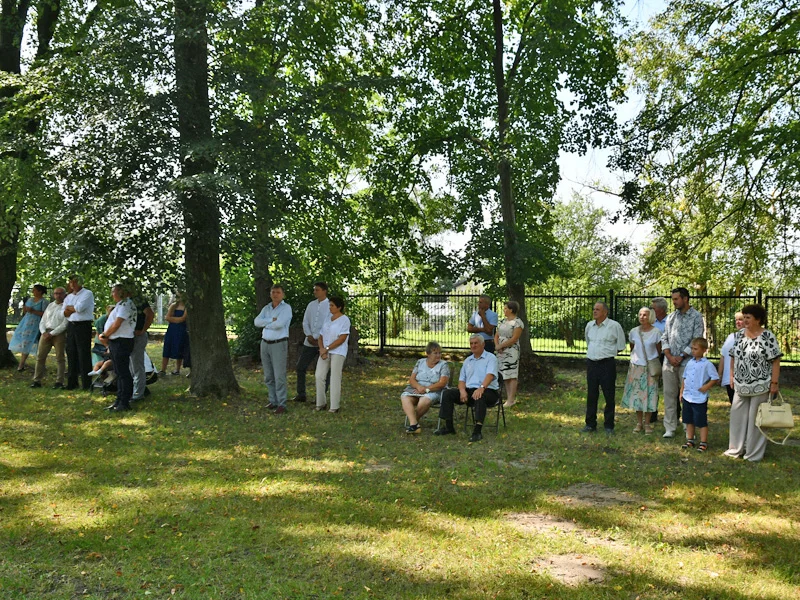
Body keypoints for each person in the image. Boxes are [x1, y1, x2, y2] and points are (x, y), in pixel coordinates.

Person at [723, 304, 782, 462]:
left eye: (748, 317)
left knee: (756, 420)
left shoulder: (767, 336)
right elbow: (733, 356)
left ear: (758, 319)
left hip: (761, 384)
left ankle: (753, 454)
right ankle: (735, 450)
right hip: (740, 384)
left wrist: (774, 383)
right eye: (744, 317)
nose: (744, 320)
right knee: (737, 417)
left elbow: (776, 361)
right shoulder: (739, 335)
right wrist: (731, 376)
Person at [434, 334, 500, 442]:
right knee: (447, 393)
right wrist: (462, 390)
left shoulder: (491, 358)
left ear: (483, 344)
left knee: (479, 395)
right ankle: (449, 427)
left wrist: (481, 388)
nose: (473, 346)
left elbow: (490, 375)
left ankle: (477, 432)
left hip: (488, 391)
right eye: (471, 343)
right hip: (469, 390)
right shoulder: (468, 361)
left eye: (476, 343)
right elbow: (462, 380)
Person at [660, 287, 705, 439]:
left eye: (676, 299)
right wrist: (669, 355)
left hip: (687, 363)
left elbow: (697, 339)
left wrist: (681, 356)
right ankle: (670, 427)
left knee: (686, 395)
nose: (673, 302)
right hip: (669, 362)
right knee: (669, 394)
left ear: (685, 299)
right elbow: (664, 337)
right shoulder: (671, 317)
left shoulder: (696, 317)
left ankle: (688, 426)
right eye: (672, 299)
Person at [582, 302, 626, 433]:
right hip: (592, 364)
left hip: (607, 364)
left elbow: (621, 346)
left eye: (598, 309)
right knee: (591, 394)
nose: (594, 311)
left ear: (605, 312)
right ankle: (590, 424)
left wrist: (606, 354)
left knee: (609, 395)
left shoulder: (614, 326)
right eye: (594, 309)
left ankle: (608, 425)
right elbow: (588, 342)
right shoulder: (589, 325)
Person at [621, 307, 662, 434]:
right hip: (636, 367)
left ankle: (648, 423)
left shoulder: (656, 332)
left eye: (645, 315)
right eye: (640, 314)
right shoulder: (633, 331)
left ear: (650, 317)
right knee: (638, 396)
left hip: (650, 368)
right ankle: (639, 423)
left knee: (649, 395)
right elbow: (632, 347)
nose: (642, 317)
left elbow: (658, 350)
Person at [254, 284, 293, 414]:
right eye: (273, 292)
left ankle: (282, 403)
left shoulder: (286, 308)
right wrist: (270, 320)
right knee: (268, 375)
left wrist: (266, 324)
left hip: (278, 343)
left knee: (279, 375)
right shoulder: (267, 308)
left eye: (278, 292)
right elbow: (256, 322)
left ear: (283, 294)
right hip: (265, 343)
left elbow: (279, 324)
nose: (275, 294)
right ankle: (273, 400)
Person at [98, 284, 137, 412]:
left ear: (121, 292)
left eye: (113, 291)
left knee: (123, 373)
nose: (112, 294)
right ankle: (118, 400)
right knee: (118, 373)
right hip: (116, 341)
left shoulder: (126, 304)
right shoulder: (121, 304)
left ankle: (124, 402)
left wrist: (105, 335)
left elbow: (117, 324)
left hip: (122, 341)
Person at [400, 341, 450, 434]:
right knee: (405, 397)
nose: (438, 355)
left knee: (425, 400)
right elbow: (412, 380)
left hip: (434, 390)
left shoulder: (443, 365)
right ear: (428, 354)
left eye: (440, 353)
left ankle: (414, 422)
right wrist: (419, 387)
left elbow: (442, 383)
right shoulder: (420, 362)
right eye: (435, 353)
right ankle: (414, 424)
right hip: (418, 388)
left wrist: (426, 389)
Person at [293, 281, 330, 403]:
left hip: (323, 343)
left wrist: (320, 338)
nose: (315, 292)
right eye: (314, 290)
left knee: (324, 371)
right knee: (300, 367)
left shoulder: (330, 306)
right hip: (309, 342)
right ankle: (301, 394)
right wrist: (308, 335)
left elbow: (330, 324)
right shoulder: (311, 305)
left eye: (317, 290)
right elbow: (305, 321)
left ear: (324, 291)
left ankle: (321, 396)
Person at [679, 338, 719, 452]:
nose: (693, 351)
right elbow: (685, 377)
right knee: (688, 419)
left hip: (699, 398)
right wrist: (682, 391)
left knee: (701, 420)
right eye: (692, 348)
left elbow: (715, 378)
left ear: (704, 350)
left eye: (696, 349)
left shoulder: (707, 364)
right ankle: (690, 440)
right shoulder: (689, 363)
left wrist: (706, 387)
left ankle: (703, 442)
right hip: (688, 396)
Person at [315, 296, 350, 413]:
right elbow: (321, 336)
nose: (330, 307)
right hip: (325, 351)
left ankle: (334, 406)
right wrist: (322, 349)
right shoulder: (327, 318)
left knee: (335, 377)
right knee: (319, 376)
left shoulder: (345, 320)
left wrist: (328, 348)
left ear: (339, 307)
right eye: (329, 305)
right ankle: (321, 402)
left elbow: (342, 338)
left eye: (332, 305)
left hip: (338, 352)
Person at [63, 275, 96, 391]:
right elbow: (64, 312)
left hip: (83, 326)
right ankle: (72, 382)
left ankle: (86, 384)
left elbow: (79, 308)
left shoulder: (87, 294)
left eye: (75, 282)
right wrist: (72, 308)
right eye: (71, 282)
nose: (73, 284)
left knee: (83, 354)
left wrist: (71, 308)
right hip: (71, 326)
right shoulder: (68, 297)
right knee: (71, 353)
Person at [31, 287, 67, 389]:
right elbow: (43, 320)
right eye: (56, 293)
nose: (58, 295)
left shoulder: (67, 307)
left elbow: (65, 323)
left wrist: (53, 333)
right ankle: (37, 380)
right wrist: (43, 332)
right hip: (46, 332)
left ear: (64, 294)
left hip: (58, 334)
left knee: (60, 358)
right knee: (40, 357)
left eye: (60, 293)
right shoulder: (51, 305)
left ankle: (59, 382)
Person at [9, 284, 49, 372]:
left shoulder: (44, 302)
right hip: (27, 324)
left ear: (40, 291)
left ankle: (41, 364)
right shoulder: (30, 300)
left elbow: (45, 315)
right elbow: (25, 311)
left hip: (37, 324)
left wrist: (34, 311)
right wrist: (25, 308)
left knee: (40, 345)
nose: (33, 292)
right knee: (25, 343)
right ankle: (21, 364)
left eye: (35, 290)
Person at [494, 300, 524, 408]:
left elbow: (514, 338)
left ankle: (511, 399)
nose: (504, 310)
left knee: (512, 374)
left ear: (511, 310)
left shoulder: (518, 323)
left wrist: (502, 346)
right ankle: (508, 398)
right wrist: (497, 345)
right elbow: (497, 335)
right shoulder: (503, 321)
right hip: (501, 351)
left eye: (506, 308)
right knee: (505, 374)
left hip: (511, 352)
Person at [128, 285, 155, 402]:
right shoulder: (127, 302)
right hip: (129, 336)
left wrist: (143, 330)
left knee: (137, 364)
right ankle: (139, 388)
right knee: (131, 365)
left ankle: (138, 394)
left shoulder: (140, 301)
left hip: (138, 336)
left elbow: (150, 314)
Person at [648, 296, 669, 424]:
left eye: (653, 308)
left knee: (670, 387)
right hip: (654, 357)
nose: (651, 310)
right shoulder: (651, 322)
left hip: (667, 355)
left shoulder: (670, 321)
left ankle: (673, 415)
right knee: (652, 385)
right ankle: (652, 414)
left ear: (660, 309)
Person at [718, 312, 744, 404]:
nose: (738, 322)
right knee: (734, 406)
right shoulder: (730, 337)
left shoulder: (750, 337)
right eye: (736, 320)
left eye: (740, 319)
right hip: (729, 379)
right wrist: (719, 375)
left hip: (742, 380)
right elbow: (723, 356)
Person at [160, 294, 188, 376]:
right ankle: (163, 370)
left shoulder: (187, 307)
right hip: (171, 330)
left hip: (181, 330)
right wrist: (177, 320)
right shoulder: (173, 306)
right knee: (167, 348)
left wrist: (174, 319)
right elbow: (167, 317)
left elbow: (183, 318)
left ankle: (177, 370)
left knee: (179, 348)